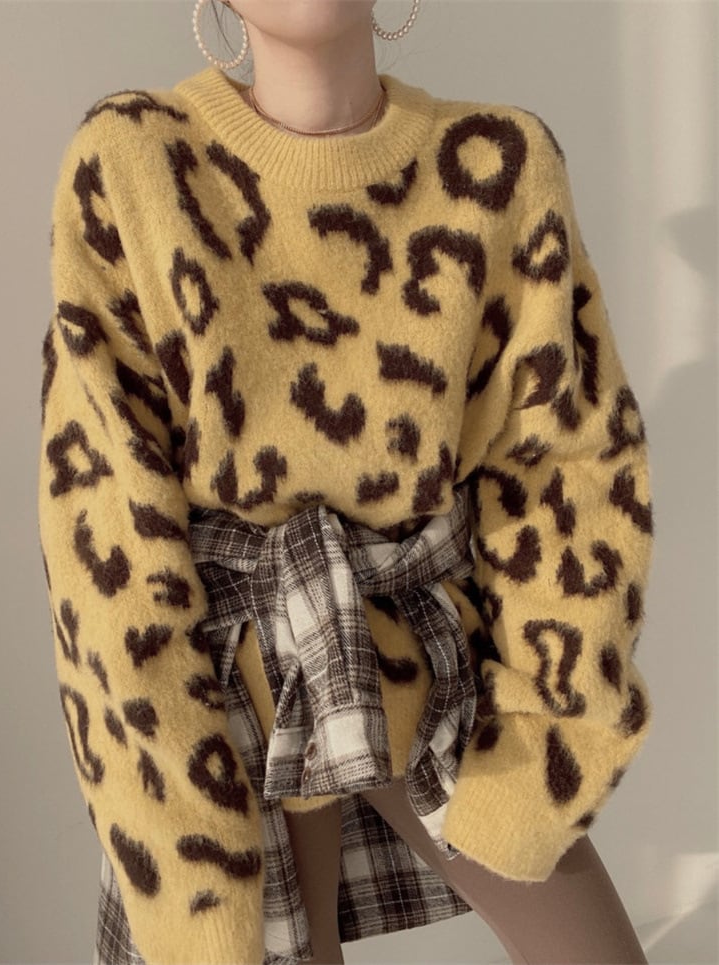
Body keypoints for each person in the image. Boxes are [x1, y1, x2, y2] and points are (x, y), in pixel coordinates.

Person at [37, 1, 655, 963]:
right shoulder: (132, 159)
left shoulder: (500, 164)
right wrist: (183, 853)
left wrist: (543, 745)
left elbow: (572, 481)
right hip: (229, 698)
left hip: (436, 668)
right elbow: (102, 537)